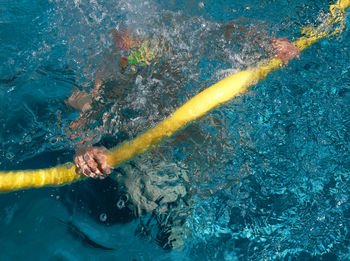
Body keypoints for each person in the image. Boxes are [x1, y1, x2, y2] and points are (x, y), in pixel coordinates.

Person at [67, 18, 300, 248]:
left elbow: (226, 31)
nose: (129, 39)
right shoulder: (105, 68)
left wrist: (267, 42)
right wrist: (83, 148)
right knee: (156, 196)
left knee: (230, 161)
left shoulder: (174, 31)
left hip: (187, 124)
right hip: (137, 140)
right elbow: (79, 107)